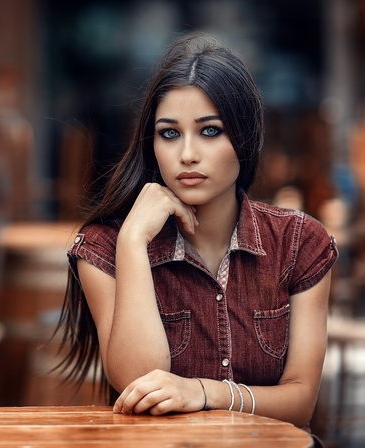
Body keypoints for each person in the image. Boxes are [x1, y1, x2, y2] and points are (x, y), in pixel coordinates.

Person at [55, 31, 338, 434]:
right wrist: (133, 241)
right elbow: (140, 380)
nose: (187, 154)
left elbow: (300, 400)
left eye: (210, 131)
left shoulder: (298, 244)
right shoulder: (104, 247)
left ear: (244, 138)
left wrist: (205, 393)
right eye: (169, 133)